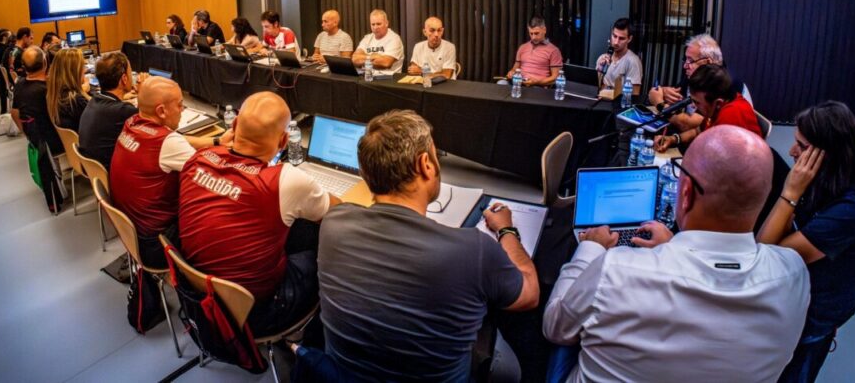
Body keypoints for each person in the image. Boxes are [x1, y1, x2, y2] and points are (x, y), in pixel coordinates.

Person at [543, 126, 810, 383]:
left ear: (685, 193)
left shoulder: (614, 269)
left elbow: (555, 326)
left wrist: (591, 248)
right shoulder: (793, 273)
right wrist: (672, 246)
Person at [318, 110, 539, 381]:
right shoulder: (474, 250)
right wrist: (506, 229)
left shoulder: (334, 223)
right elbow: (530, 294)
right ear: (426, 164)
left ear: (365, 172)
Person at [178, 92, 339, 335]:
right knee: (322, 240)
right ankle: (313, 337)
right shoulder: (285, 180)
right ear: (284, 141)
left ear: (234, 125)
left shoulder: (198, 158)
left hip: (199, 297)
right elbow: (338, 211)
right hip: (258, 310)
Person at [757, 102, 855, 383]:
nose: (792, 151)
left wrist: (790, 193)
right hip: (796, 296)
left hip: (809, 325)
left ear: (827, 155)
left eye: (802, 146)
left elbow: (767, 256)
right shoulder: (821, 184)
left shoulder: (849, 211)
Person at [109, 77, 229, 267]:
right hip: (158, 243)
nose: (182, 110)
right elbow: (215, 175)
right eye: (180, 105)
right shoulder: (167, 143)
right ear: (161, 111)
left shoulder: (132, 122)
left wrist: (217, 141)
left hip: (132, 232)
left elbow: (176, 140)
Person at [649, 34, 751, 132]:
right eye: (685, 60)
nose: (685, 66)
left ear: (707, 62)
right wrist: (664, 91)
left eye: (690, 60)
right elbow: (676, 100)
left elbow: (687, 125)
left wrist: (659, 104)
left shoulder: (725, 84)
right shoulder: (695, 76)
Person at [655, 64, 762, 152]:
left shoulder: (731, 116)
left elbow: (714, 157)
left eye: (697, 102)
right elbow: (699, 130)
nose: (693, 106)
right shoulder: (720, 103)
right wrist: (673, 139)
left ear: (718, 103)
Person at [11, 46, 65, 212]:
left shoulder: (20, 84)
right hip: (54, 142)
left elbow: (14, 113)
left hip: (37, 140)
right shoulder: (47, 90)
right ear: (45, 63)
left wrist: (27, 133)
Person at [77, 52, 138, 170]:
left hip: (94, 171)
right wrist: (145, 93)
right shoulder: (123, 111)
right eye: (130, 73)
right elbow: (154, 121)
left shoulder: (94, 101)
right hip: (113, 172)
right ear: (124, 79)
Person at [505, 16, 563, 87]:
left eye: (536, 33)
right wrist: (512, 72)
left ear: (544, 30)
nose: (533, 37)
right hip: (519, 83)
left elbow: (556, 78)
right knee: (501, 83)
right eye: (531, 33)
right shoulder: (523, 47)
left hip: (538, 86)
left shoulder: (554, 51)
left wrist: (537, 82)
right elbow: (515, 68)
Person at [594, 18, 642, 94]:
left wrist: (607, 91)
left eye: (621, 38)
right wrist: (600, 71)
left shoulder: (633, 62)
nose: (616, 42)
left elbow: (634, 94)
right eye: (614, 36)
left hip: (617, 101)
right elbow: (594, 89)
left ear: (629, 39)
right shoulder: (602, 58)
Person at [46, 48, 89, 131]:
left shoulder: (54, 93)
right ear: (75, 71)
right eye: (83, 66)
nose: (85, 70)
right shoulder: (76, 101)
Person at [352, 9, 404, 77]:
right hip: (367, 77)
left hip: (388, 78)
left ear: (386, 23)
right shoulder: (367, 38)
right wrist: (372, 56)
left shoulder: (394, 39)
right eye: (373, 24)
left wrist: (363, 59)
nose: (375, 27)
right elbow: (355, 59)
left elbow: (386, 63)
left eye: (378, 24)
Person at [0, 28, 12, 115]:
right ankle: (4, 109)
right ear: (5, 38)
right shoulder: (5, 48)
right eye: (10, 36)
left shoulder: (1, 45)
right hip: (2, 73)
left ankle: (4, 108)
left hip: (1, 71)